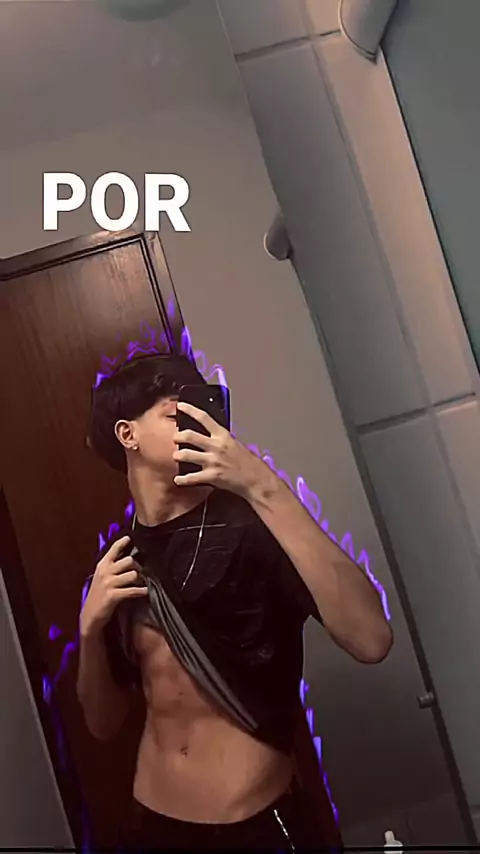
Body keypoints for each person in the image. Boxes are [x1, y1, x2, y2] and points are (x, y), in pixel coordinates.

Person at [77, 353, 392, 851]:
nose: (195, 423)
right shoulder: (119, 562)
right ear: (127, 434)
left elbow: (372, 639)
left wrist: (262, 485)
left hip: (255, 824)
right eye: (175, 412)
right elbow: (103, 724)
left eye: (200, 409)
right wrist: (90, 632)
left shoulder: (255, 527)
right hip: (153, 823)